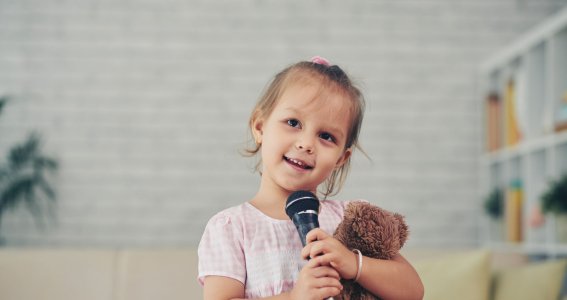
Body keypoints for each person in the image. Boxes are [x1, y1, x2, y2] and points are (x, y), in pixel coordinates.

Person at [198, 56, 424, 300]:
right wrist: (294, 297)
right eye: (293, 123)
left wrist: (353, 263)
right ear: (260, 127)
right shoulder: (231, 228)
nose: (306, 144)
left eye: (326, 136)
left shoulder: (349, 220)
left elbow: (413, 291)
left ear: (341, 158)